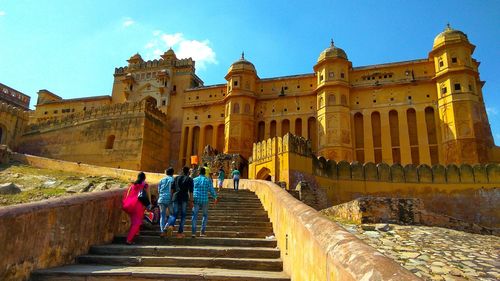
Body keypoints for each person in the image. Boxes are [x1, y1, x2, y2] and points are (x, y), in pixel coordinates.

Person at [122, 172, 151, 245]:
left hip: (129, 205)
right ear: (144, 178)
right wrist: (149, 204)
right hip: (138, 205)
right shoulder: (145, 185)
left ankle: (136, 234)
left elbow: (128, 195)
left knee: (134, 221)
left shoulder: (132, 185)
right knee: (137, 223)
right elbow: (148, 195)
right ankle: (128, 240)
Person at [165, 166, 193, 238]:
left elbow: (172, 189)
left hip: (175, 197)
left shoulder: (176, 178)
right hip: (184, 197)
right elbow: (191, 191)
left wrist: (171, 198)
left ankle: (170, 225)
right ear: (188, 172)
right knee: (183, 215)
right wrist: (191, 201)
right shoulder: (189, 179)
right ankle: (179, 233)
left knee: (174, 214)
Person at [192, 167, 218, 238]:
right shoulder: (208, 180)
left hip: (196, 199)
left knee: (194, 216)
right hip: (204, 200)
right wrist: (215, 197)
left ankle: (193, 233)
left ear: (198, 172)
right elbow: (211, 190)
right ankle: (202, 232)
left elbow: (191, 190)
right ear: (205, 173)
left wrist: (190, 199)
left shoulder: (194, 180)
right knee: (205, 215)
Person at [158, 167, 174, 237]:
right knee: (172, 215)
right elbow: (173, 190)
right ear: (172, 173)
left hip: (161, 198)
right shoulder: (173, 180)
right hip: (169, 199)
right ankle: (166, 227)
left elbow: (158, 190)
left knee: (162, 216)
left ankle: (162, 231)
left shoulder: (161, 180)